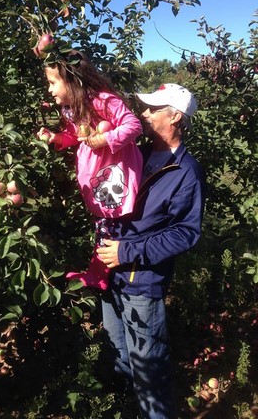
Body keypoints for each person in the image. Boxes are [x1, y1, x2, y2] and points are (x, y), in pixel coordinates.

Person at [96, 83, 205, 419]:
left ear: (174, 116)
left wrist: (127, 252)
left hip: (140, 281)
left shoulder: (187, 173)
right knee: (122, 358)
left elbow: (185, 233)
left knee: (149, 372)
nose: (143, 113)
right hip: (108, 275)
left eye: (153, 109)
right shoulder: (135, 152)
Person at [37, 50, 143, 290]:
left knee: (110, 226)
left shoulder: (103, 101)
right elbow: (76, 136)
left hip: (115, 175)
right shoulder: (73, 108)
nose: (50, 90)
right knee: (103, 224)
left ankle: (101, 274)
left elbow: (133, 125)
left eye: (53, 83)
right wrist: (56, 138)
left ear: (72, 79)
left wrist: (106, 139)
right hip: (97, 176)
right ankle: (99, 272)